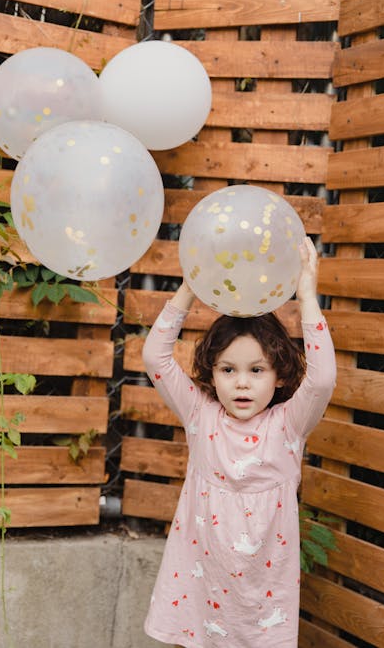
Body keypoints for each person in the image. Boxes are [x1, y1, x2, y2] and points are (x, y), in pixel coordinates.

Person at [142, 236, 336, 647]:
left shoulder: (288, 425)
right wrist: (189, 288)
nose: (241, 382)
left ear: (280, 375)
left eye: (256, 370)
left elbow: (321, 379)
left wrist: (307, 297)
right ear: (211, 374)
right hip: (200, 577)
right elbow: (155, 358)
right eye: (227, 369)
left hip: (263, 588)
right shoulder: (201, 414)